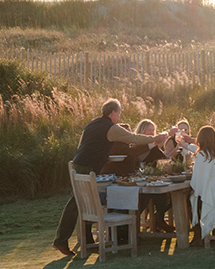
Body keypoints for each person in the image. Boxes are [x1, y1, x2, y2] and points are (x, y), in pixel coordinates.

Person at [52, 99, 169, 256]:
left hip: (78, 164)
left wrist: (103, 156)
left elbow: (84, 144)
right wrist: (154, 139)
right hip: (87, 167)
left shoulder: (92, 124)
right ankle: (61, 241)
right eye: (119, 112)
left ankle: (73, 240)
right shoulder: (111, 128)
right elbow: (133, 138)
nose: (119, 116)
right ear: (112, 112)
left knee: (77, 203)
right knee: (78, 203)